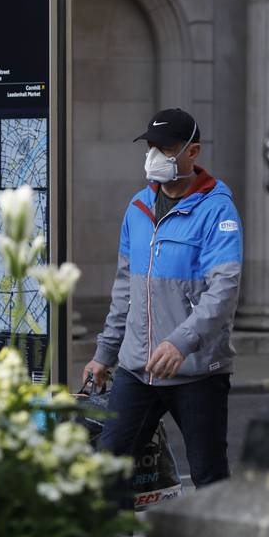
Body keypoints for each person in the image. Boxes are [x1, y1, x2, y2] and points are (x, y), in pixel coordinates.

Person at [83, 107, 242, 500]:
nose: (155, 156)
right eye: (152, 146)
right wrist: (104, 354)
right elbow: (125, 289)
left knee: (208, 477)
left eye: (167, 148)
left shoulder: (217, 209)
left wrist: (181, 341)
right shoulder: (137, 208)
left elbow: (224, 289)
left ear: (193, 152)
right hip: (137, 369)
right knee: (107, 468)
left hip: (196, 372)